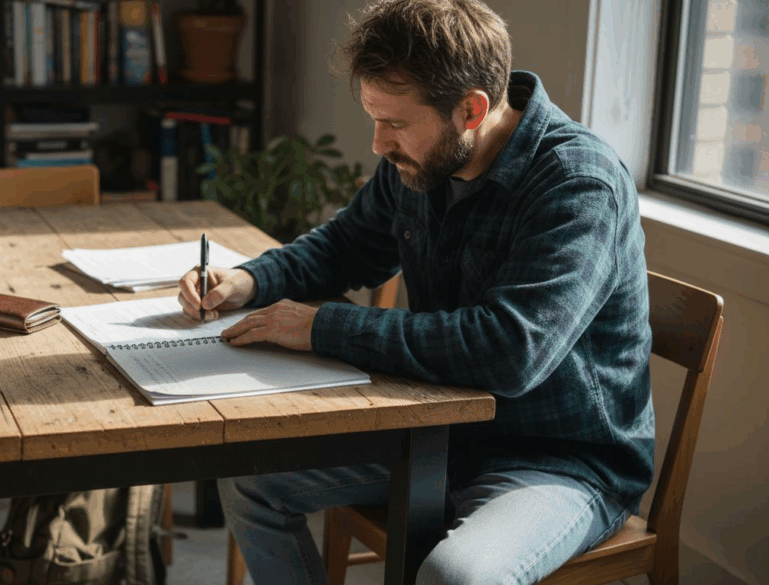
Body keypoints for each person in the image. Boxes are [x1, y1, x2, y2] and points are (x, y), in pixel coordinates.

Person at [176, 0, 653, 583]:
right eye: (374, 119)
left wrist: (322, 326)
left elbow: (510, 350)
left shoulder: (578, 185)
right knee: (252, 480)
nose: (378, 143)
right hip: (438, 431)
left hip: (559, 459)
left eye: (396, 123)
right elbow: (345, 246)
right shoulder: (422, 160)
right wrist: (246, 280)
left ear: (470, 110)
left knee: (455, 576)